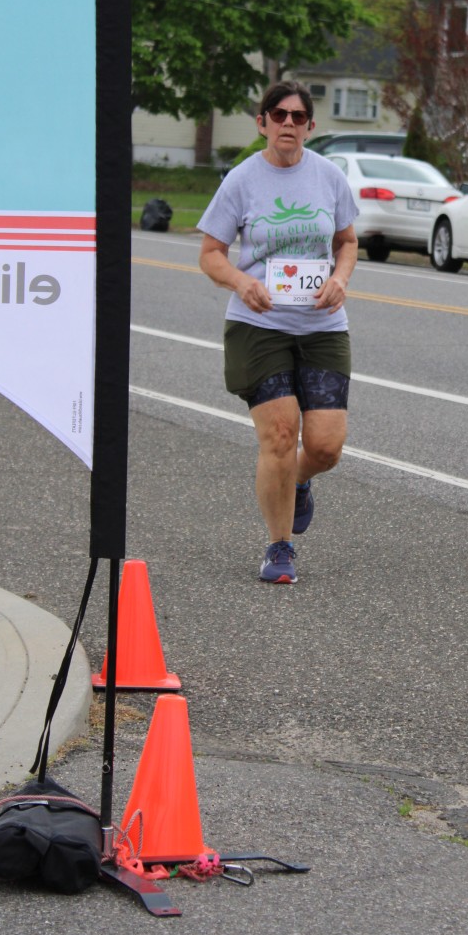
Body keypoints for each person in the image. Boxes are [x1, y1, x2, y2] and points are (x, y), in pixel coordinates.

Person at [197, 81, 359, 584]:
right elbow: (210, 254)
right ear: (262, 122)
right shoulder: (242, 180)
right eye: (278, 114)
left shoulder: (329, 177)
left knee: (326, 447)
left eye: (298, 116)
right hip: (259, 325)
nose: (288, 123)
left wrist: (339, 279)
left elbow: (347, 241)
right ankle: (280, 546)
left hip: (321, 325)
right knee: (281, 434)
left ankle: (299, 480)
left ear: (310, 126)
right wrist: (241, 282)